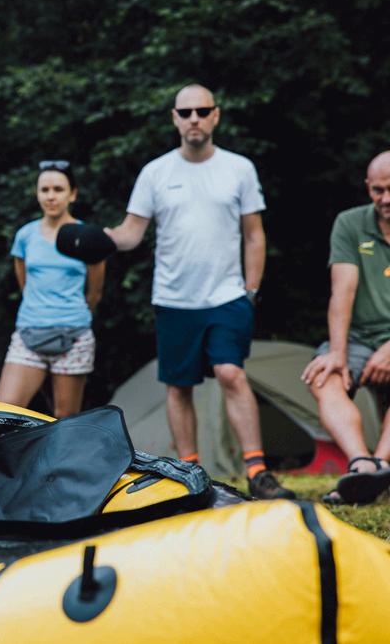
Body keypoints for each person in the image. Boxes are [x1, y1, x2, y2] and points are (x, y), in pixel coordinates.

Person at [104, 83, 294, 500]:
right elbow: (130, 233)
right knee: (178, 386)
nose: (194, 119)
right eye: (186, 112)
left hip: (227, 296)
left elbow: (255, 235)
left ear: (215, 116)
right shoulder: (155, 172)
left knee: (231, 373)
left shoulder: (238, 168)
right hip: (173, 299)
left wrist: (251, 291)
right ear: (175, 118)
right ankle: (190, 474)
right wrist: (95, 238)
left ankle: (258, 471)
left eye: (202, 111)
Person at [302, 151, 390, 504]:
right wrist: (337, 354)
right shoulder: (351, 223)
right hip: (357, 337)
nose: (386, 199)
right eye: (378, 190)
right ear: (368, 187)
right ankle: (361, 465)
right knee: (323, 376)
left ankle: (380, 467)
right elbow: (343, 290)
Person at [0, 161, 104, 415]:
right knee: (4, 413)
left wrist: (72, 314)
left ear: (72, 194)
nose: (51, 196)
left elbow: (95, 292)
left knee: (65, 421)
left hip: (74, 335)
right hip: (29, 332)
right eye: (45, 190)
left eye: (58, 189)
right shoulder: (25, 235)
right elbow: (24, 283)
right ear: (37, 194)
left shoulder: (88, 237)